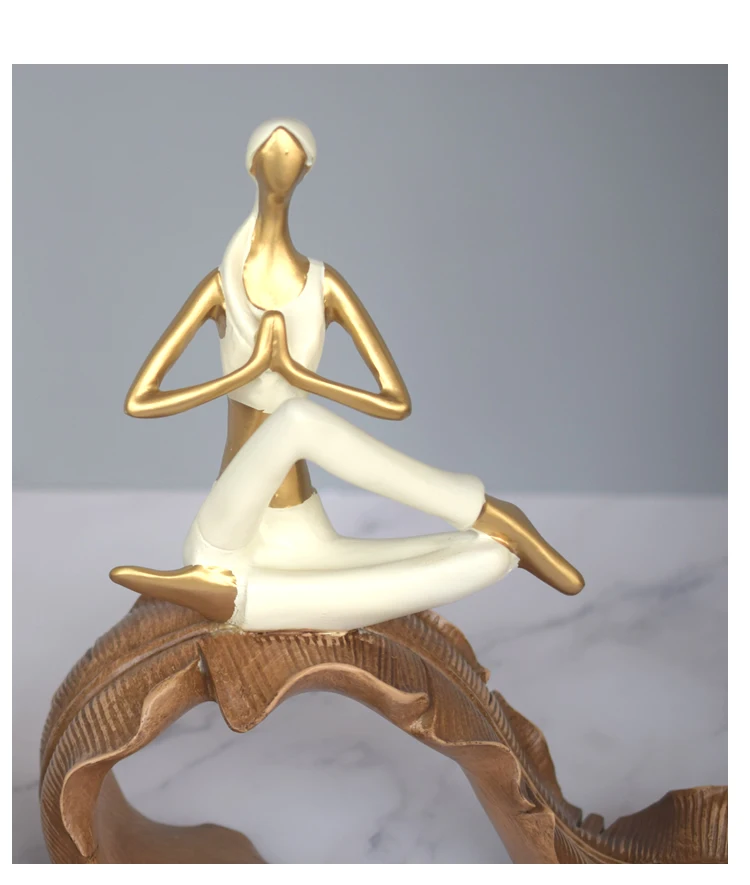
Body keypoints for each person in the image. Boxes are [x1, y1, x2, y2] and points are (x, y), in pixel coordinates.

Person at [110, 118, 583, 631]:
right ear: (251, 166)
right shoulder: (222, 286)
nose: (280, 166)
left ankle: (230, 593)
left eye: (291, 156)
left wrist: (295, 374)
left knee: (492, 557)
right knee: (293, 421)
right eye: (271, 153)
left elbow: (394, 402)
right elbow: (141, 400)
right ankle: (484, 510)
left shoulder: (323, 286)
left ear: (306, 169)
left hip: (300, 529)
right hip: (229, 526)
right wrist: (248, 373)